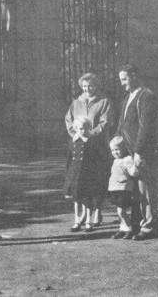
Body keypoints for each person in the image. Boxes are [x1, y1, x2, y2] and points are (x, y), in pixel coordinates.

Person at [63, 73, 113, 232]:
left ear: (96, 86)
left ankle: (97, 211)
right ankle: (82, 217)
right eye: (84, 86)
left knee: (97, 180)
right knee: (81, 182)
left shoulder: (103, 102)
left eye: (90, 85)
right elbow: (69, 120)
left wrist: (90, 134)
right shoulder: (76, 102)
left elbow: (105, 123)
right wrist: (76, 134)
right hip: (79, 143)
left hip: (97, 145)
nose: (87, 89)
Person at [115, 63, 158, 240]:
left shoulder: (146, 96)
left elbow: (145, 127)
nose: (122, 83)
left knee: (145, 190)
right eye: (121, 80)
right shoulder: (127, 98)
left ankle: (148, 227)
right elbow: (121, 124)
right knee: (132, 191)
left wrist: (139, 151)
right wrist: (115, 141)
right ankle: (133, 226)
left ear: (133, 76)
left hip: (141, 151)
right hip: (127, 151)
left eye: (124, 79)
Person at [107, 135, 139, 240]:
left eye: (117, 149)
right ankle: (123, 228)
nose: (115, 152)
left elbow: (133, 172)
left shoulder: (127, 159)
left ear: (123, 148)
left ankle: (129, 229)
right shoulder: (115, 160)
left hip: (124, 189)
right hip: (115, 189)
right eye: (112, 150)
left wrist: (136, 166)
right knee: (119, 211)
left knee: (121, 212)